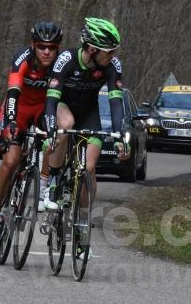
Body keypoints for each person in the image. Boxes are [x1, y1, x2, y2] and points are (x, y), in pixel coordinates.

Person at [42, 17, 130, 259]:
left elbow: (115, 102)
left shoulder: (112, 66)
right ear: (92, 49)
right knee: (65, 126)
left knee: (89, 168)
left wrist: (122, 135)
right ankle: (54, 183)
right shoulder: (66, 60)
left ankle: (82, 229)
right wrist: (51, 128)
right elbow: (50, 99)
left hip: (89, 114)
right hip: (63, 106)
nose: (113, 56)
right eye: (109, 51)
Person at [0, 22, 63, 244]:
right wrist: (9, 122)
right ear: (33, 46)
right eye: (41, 46)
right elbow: (12, 92)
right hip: (19, 108)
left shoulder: (60, 63)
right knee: (10, 162)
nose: (47, 51)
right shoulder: (23, 58)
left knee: (54, 138)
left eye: (51, 47)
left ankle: (44, 186)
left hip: (44, 109)